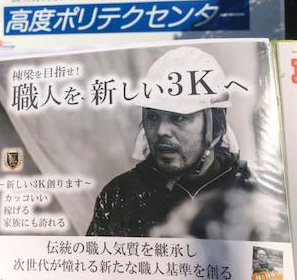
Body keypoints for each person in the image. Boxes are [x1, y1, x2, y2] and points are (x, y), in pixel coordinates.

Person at [86, 46, 253, 237]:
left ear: (215, 124)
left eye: (178, 117)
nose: (161, 131)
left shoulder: (250, 192)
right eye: (153, 117)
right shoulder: (121, 195)